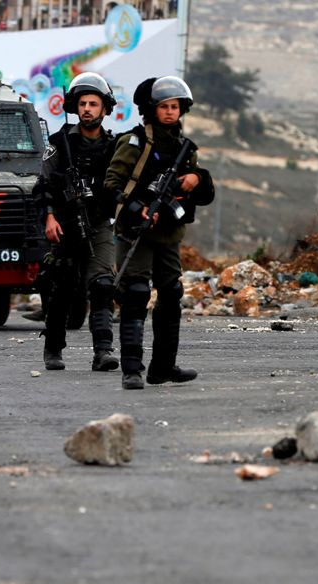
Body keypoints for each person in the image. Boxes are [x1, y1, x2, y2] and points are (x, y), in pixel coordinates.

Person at [104, 76, 215, 390]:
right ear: (151, 110)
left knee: (172, 293)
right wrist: (136, 208)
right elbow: (111, 186)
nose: (170, 112)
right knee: (136, 293)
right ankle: (131, 369)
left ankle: (163, 367)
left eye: (174, 107)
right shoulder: (134, 143)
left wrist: (196, 178)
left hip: (169, 233)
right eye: (164, 107)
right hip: (136, 231)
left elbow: (205, 195)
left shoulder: (183, 149)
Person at [34, 72, 119, 371]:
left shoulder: (114, 147)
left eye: (93, 104)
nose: (87, 109)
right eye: (82, 104)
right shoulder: (60, 143)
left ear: (104, 109)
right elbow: (43, 185)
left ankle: (103, 351)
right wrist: (50, 217)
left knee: (102, 285)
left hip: (99, 224)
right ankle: (53, 349)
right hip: (66, 225)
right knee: (62, 287)